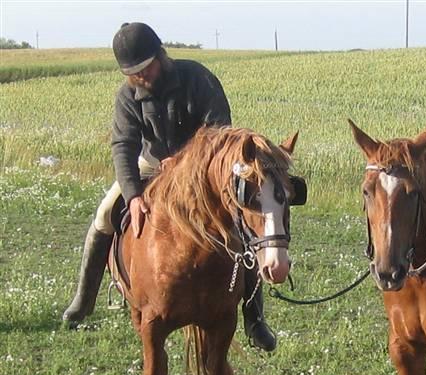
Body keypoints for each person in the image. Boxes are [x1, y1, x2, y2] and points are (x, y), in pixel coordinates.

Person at [63, 22, 277, 352]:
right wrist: (133, 195)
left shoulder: (198, 78)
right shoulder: (127, 96)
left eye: (145, 68)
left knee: (238, 223)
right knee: (105, 215)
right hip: (150, 167)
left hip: (202, 171)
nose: (141, 76)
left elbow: (219, 132)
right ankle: (84, 297)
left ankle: (254, 316)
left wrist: (183, 164)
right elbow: (123, 145)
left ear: (160, 55)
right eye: (133, 72)